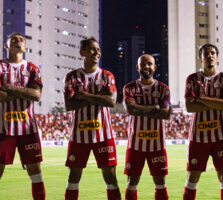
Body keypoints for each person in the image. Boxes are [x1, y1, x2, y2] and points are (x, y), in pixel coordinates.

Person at [63, 37, 121, 200]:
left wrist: (85, 95)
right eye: (92, 49)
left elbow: (111, 101)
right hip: (78, 135)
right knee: (73, 176)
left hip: (104, 135)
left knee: (110, 176)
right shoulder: (72, 76)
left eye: (98, 49)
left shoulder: (107, 76)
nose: (97, 52)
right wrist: (98, 97)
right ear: (82, 52)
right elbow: (69, 104)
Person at [183, 43, 223, 200]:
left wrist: (201, 98)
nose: (210, 55)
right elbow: (190, 107)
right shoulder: (192, 79)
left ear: (217, 57)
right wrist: (216, 101)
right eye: (206, 54)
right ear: (201, 58)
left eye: (213, 53)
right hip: (198, 137)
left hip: (221, 137)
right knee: (193, 176)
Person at [0, 32, 45, 200]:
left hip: (28, 129)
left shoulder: (32, 68)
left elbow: (37, 95)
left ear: (25, 47)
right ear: (6, 46)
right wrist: (25, 92)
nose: (18, 41)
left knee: (35, 171)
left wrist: (9, 87)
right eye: (13, 40)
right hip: (3, 128)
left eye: (21, 40)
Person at [123, 54, 171, 200]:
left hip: (157, 145)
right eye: (143, 64)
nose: (146, 67)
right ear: (137, 67)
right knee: (132, 182)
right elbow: (130, 110)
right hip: (135, 144)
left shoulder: (163, 89)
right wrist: (155, 107)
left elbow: (165, 114)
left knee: (160, 183)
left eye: (149, 64)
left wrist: (139, 108)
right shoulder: (129, 88)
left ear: (154, 67)